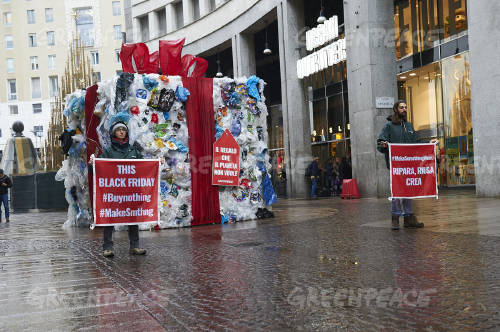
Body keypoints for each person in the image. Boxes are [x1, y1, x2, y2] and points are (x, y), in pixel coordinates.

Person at [90, 121, 147, 257]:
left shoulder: (134, 151)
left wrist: (158, 163)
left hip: (131, 192)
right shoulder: (108, 151)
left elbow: (145, 167)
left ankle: (135, 246)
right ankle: (107, 247)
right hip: (114, 193)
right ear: (113, 133)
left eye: (124, 129)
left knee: (133, 219)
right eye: (118, 130)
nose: (122, 131)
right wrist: (93, 164)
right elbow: (99, 169)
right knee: (110, 218)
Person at [377, 100, 424, 230]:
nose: (404, 109)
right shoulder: (389, 126)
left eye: (405, 107)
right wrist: (384, 145)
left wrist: (429, 144)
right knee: (397, 193)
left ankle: (409, 218)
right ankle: (395, 218)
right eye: (401, 107)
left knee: (408, 191)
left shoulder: (409, 126)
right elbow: (380, 142)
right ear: (396, 109)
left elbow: (416, 143)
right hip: (395, 166)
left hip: (408, 165)